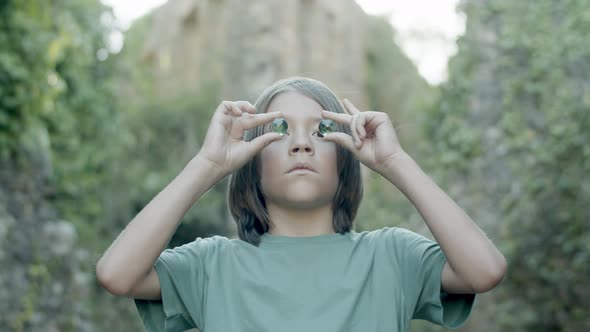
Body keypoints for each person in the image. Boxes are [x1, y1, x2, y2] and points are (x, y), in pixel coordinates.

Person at [96, 77, 507, 332]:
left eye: (322, 130)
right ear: (252, 162)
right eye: (279, 129)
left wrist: (395, 163)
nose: (301, 142)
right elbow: (117, 275)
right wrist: (207, 165)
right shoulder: (211, 265)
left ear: (346, 157)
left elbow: (484, 270)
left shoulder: (392, 256)